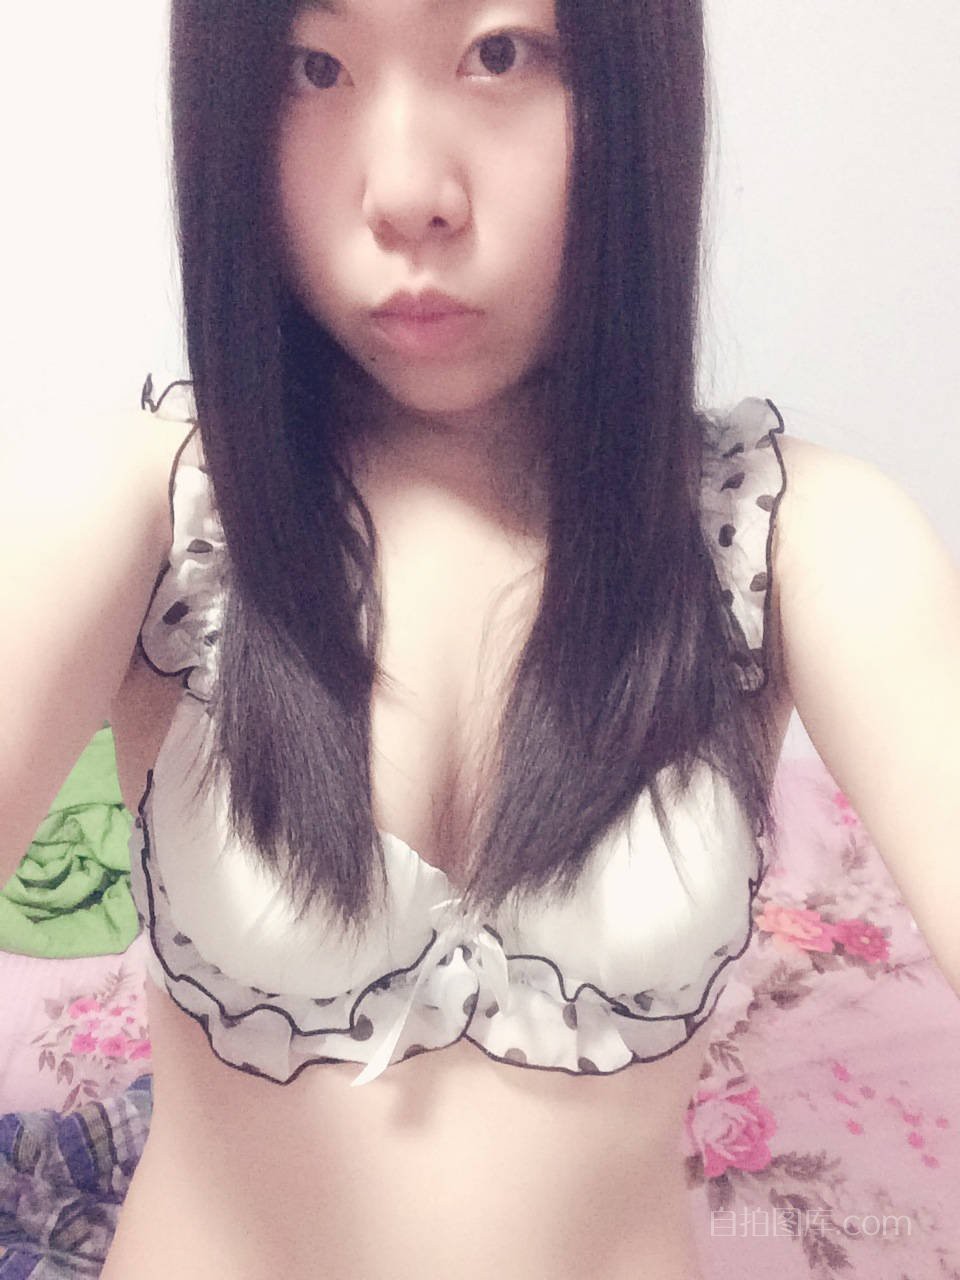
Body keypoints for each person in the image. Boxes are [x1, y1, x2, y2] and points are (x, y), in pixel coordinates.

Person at [2, 1, 958, 1276]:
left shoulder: (797, 540)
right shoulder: (139, 511)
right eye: (314, 65)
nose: (406, 192)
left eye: (501, 52)